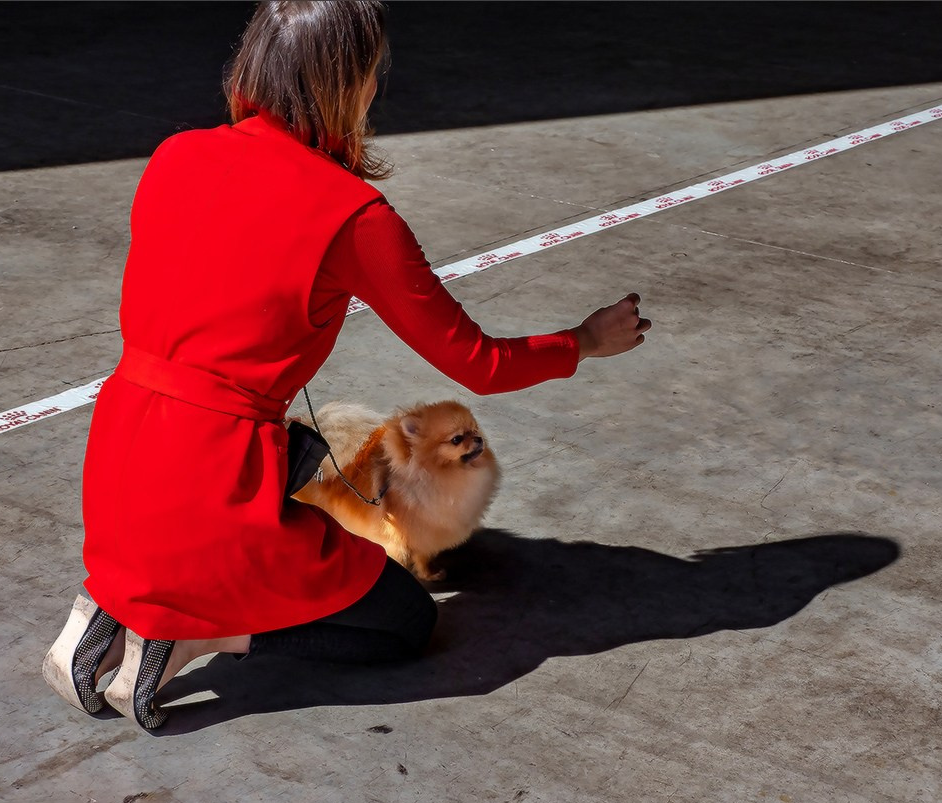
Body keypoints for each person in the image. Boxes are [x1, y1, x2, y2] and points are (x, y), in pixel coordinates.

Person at [42, 0, 652, 732]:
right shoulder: (356, 218)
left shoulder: (174, 155)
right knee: (405, 621)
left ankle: (118, 601)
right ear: (352, 82)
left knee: (238, 511)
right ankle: (199, 629)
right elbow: (479, 363)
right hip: (216, 486)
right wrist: (582, 341)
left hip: (118, 460)